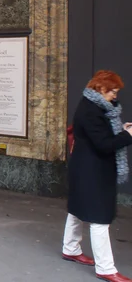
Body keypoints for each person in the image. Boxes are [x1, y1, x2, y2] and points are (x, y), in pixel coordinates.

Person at [62, 70, 132, 282]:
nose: (115, 95)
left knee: (77, 209)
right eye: (113, 91)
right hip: (93, 171)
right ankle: (105, 268)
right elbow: (103, 145)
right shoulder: (92, 111)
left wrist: (120, 130)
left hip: (85, 168)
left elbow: (99, 137)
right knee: (99, 219)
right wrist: (127, 136)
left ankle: (70, 248)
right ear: (101, 89)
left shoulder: (92, 106)